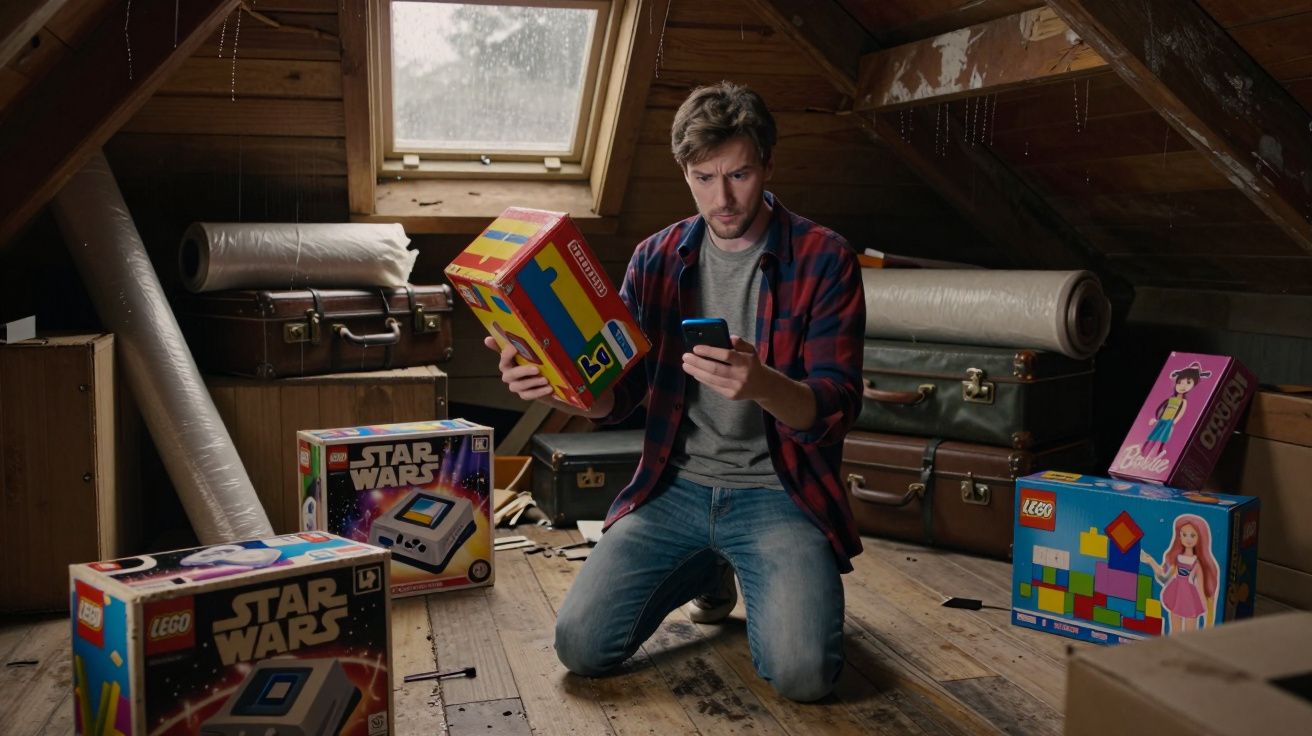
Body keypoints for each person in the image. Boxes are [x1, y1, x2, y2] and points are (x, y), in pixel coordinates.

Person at [484, 81, 865, 702]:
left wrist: (763, 384)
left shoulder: (826, 259)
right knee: (580, 648)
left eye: (739, 175)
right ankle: (712, 567)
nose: (723, 198)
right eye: (703, 177)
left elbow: (836, 406)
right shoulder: (655, 258)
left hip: (780, 493)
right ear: (685, 172)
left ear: (767, 164)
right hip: (676, 488)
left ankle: (740, 565)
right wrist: (555, 389)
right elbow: (622, 395)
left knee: (804, 678)